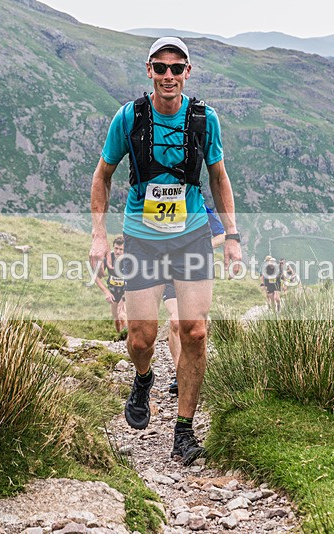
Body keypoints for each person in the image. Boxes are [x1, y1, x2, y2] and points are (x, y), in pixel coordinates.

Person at [89, 36, 242, 466]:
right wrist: (99, 234)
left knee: (194, 331)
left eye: (177, 68)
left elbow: (219, 178)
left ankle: (184, 431)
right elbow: (102, 176)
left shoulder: (205, 119)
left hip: (191, 235)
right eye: (161, 68)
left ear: (188, 72)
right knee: (142, 338)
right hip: (141, 237)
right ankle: (143, 379)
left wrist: (231, 235)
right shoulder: (129, 118)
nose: (169, 76)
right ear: (149, 71)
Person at [167, 205, 225, 395]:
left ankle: (198, 371)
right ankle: (180, 375)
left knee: (198, 326)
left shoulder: (201, 208)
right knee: (176, 321)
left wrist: (201, 247)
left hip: (196, 270)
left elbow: (221, 235)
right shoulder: (163, 203)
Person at [94, 236, 128, 336]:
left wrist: (124, 298)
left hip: (126, 292)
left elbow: (134, 281)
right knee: (116, 318)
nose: (118, 251)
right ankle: (120, 338)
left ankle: (126, 339)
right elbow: (95, 276)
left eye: (121, 249)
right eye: (116, 248)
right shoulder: (109, 258)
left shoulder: (129, 260)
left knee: (122, 315)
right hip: (113, 292)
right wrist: (106, 292)